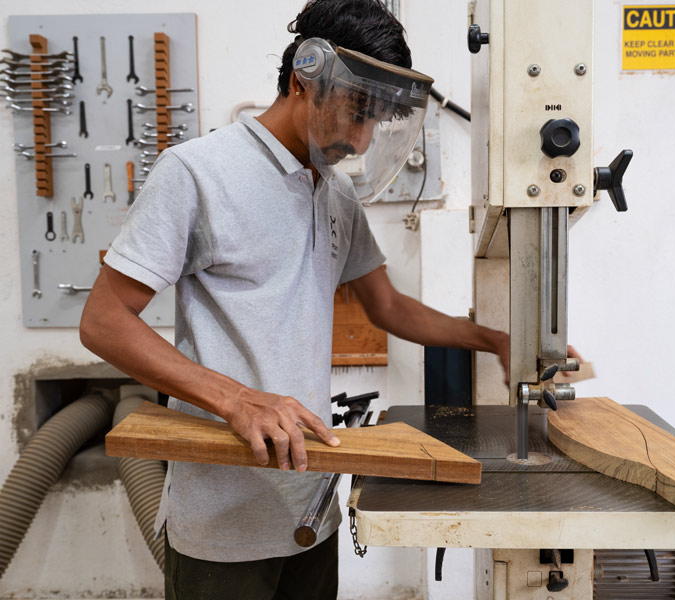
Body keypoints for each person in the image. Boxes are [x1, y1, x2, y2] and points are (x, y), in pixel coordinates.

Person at [79, 1, 509, 598]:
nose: (361, 140)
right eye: (357, 112)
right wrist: (236, 399)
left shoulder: (335, 190)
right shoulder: (197, 171)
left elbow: (387, 307)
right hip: (223, 515)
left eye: (376, 121)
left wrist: (491, 339)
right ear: (303, 78)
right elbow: (103, 322)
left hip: (310, 500)